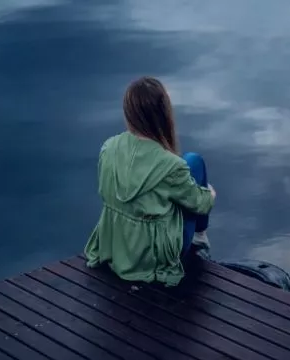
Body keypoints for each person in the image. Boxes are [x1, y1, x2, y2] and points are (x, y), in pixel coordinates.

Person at [84, 76, 216, 287]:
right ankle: (200, 237)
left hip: (117, 246)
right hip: (152, 258)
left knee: (184, 171)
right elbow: (202, 204)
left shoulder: (108, 148)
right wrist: (209, 194)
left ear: (128, 113)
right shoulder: (171, 165)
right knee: (194, 161)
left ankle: (197, 234)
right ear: (164, 114)